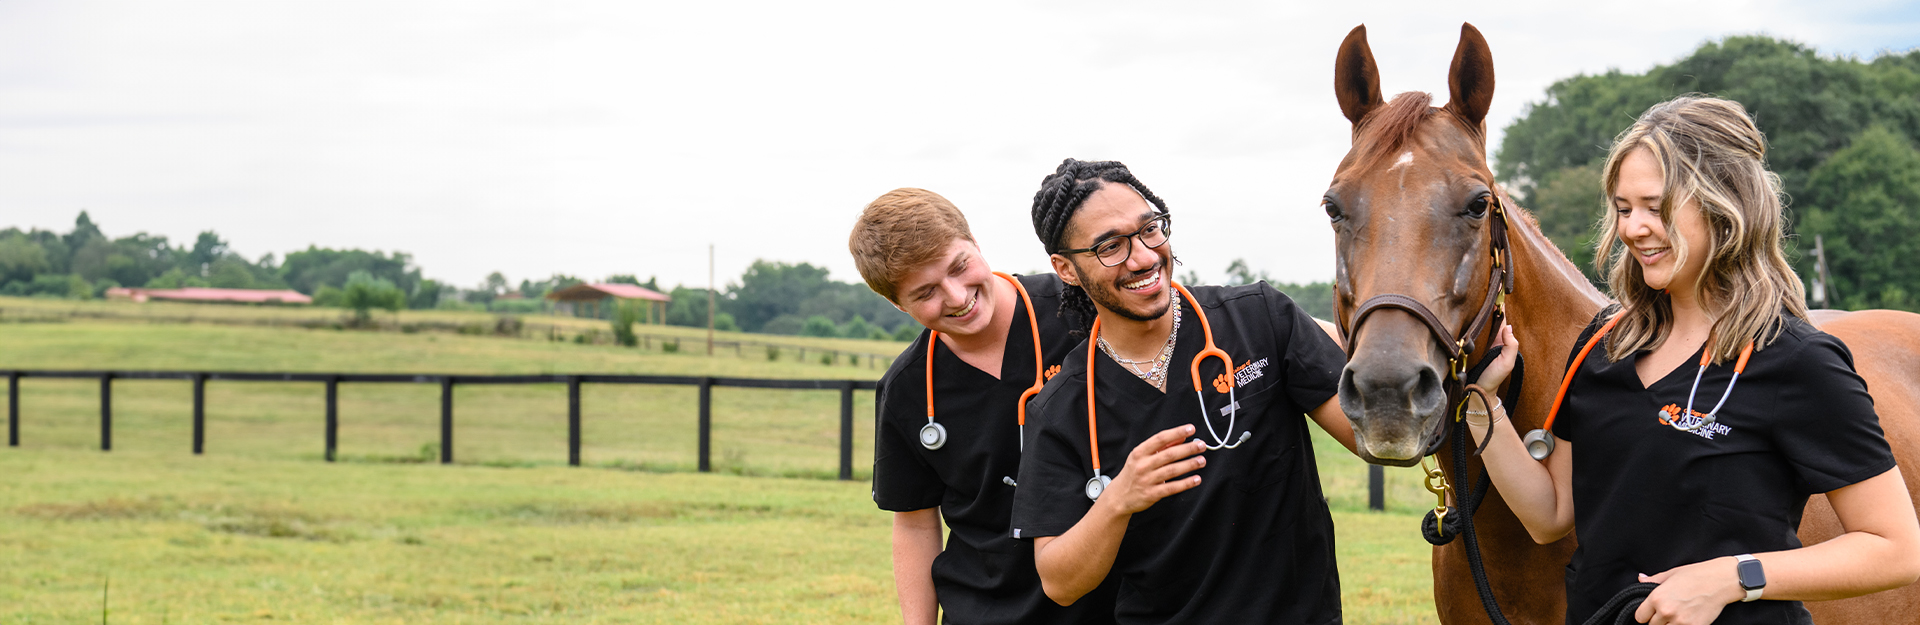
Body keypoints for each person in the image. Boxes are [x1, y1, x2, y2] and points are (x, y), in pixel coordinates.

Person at [1466, 96, 1920, 624]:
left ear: (1725, 204)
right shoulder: (1603, 346)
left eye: (1656, 208)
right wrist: (1483, 405)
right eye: (1623, 208)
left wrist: (1733, 578)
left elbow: (1895, 548)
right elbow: (1550, 515)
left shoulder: (1798, 361)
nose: (1634, 228)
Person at [1009, 159, 1356, 624]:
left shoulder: (1259, 320)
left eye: (1150, 228)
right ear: (1066, 269)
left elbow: (1373, 440)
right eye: (1110, 246)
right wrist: (1119, 500)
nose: (1145, 257)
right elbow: (1059, 583)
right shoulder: (1062, 407)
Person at [852, 188, 1116, 625]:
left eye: (959, 267)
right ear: (897, 303)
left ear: (974, 242)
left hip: (1113, 600)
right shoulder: (907, 389)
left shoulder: (1084, 311)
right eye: (925, 293)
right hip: (988, 607)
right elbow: (916, 523)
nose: (957, 297)